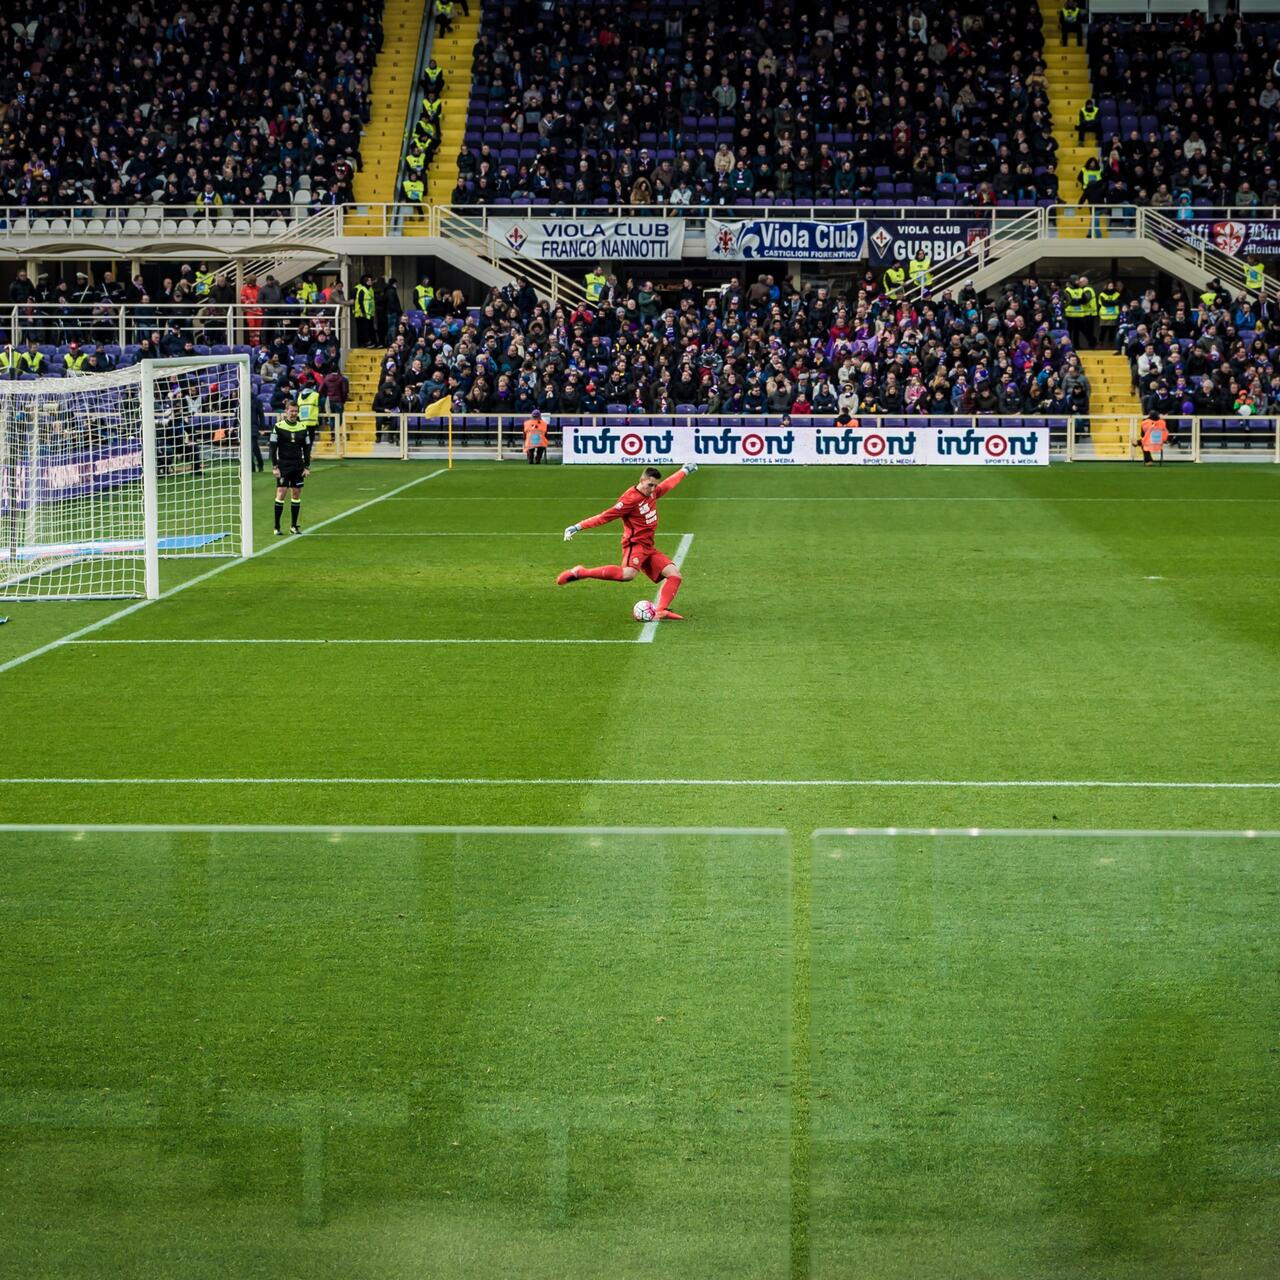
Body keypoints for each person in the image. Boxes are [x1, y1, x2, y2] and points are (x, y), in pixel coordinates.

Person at [558, 462, 698, 620]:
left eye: (654, 486)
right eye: (650, 485)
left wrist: (684, 470)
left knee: (674, 575)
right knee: (628, 574)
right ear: (641, 480)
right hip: (635, 544)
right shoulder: (629, 500)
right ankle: (581, 572)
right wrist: (577, 527)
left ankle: (660, 610)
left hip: (648, 546)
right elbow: (605, 516)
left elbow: (667, 485)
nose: (653, 489)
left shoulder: (652, 492)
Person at [271, 400, 312, 534]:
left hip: (298, 465)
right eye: (291, 410)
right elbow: (273, 447)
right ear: (286, 411)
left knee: (296, 493)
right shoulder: (278, 426)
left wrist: (307, 467)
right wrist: (275, 466)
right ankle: (277, 527)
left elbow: (306, 448)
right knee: (281, 493)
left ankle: (293, 526)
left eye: (295, 411)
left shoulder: (303, 427)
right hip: (283, 464)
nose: (293, 413)